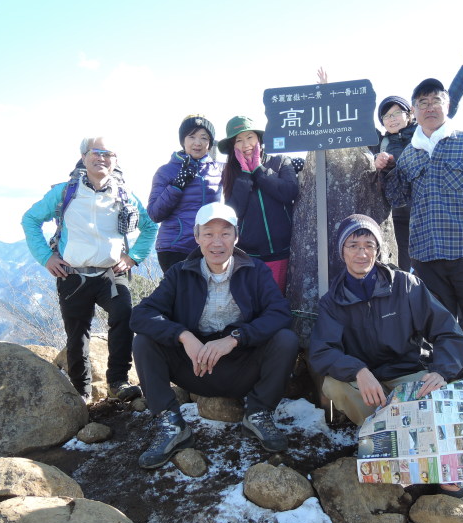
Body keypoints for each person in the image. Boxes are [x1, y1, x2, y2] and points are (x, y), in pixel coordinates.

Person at [130, 202, 299, 469]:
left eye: (225, 233)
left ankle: (258, 413)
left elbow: (279, 313)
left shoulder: (255, 271)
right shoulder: (180, 273)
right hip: (195, 367)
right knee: (144, 340)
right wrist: (184, 336)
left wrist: (235, 338)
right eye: (208, 234)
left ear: (236, 236)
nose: (216, 242)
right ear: (197, 237)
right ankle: (171, 424)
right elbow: (141, 315)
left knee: (285, 339)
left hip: (242, 367)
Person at [309, 214, 463, 498]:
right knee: (333, 385)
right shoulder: (332, 301)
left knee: (435, 391)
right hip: (367, 383)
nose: (361, 253)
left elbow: (448, 332)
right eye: (353, 245)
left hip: (408, 373)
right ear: (341, 251)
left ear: (378, 250)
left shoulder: (407, 286)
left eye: (368, 244)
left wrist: (442, 371)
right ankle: (384, 441)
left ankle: (441, 463)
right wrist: (358, 370)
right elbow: (322, 351)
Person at [383, 77, 463, 375]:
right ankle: (451, 390)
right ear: (414, 111)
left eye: (435, 101)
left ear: (447, 105)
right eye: (422, 103)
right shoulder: (410, 154)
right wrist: (387, 169)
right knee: (441, 330)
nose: (429, 108)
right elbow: (397, 196)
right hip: (425, 257)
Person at [21, 136, 158, 403]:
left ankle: (118, 381)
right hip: (72, 273)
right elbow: (30, 219)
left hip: (111, 271)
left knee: (123, 315)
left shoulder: (124, 195)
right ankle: (81, 392)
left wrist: (133, 257)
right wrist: (46, 258)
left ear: (115, 160)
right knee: (77, 332)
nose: (102, 158)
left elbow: (150, 226)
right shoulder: (65, 192)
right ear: (84, 157)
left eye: (108, 153)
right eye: (96, 152)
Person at [372, 43, 463, 271]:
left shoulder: (423, 132)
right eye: (386, 116)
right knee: (403, 267)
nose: (391, 119)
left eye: (396, 113)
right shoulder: (380, 142)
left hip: (428, 210)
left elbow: (447, 102)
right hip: (396, 216)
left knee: (431, 265)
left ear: (410, 114)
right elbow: (350, 128)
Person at [218, 116, 300, 294]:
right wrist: (246, 175)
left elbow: (289, 192)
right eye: (238, 140)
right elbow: (234, 211)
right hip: (250, 255)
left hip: (284, 251)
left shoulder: (280, 161)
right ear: (233, 147)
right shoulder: (231, 172)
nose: (245, 144)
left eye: (249, 137)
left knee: (283, 303)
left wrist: (258, 170)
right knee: (257, 305)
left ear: (259, 139)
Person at [148, 115, 223, 273]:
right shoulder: (166, 171)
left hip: (208, 247)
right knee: (182, 296)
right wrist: (177, 186)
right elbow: (155, 214)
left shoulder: (219, 170)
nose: (198, 142)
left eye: (204, 137)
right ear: (183, 140)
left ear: (210, 143)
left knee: (206, 297)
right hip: (175, 247)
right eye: (192, 136)